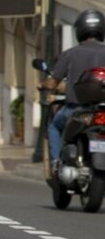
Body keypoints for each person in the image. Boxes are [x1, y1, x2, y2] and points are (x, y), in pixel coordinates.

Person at [39, 9, 105, 165]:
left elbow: (53, 82)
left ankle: (56, 163)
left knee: (54, 127)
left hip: (76, 110)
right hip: (102, 110)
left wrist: (42, 85)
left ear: (80, 30)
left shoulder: (70, 54)